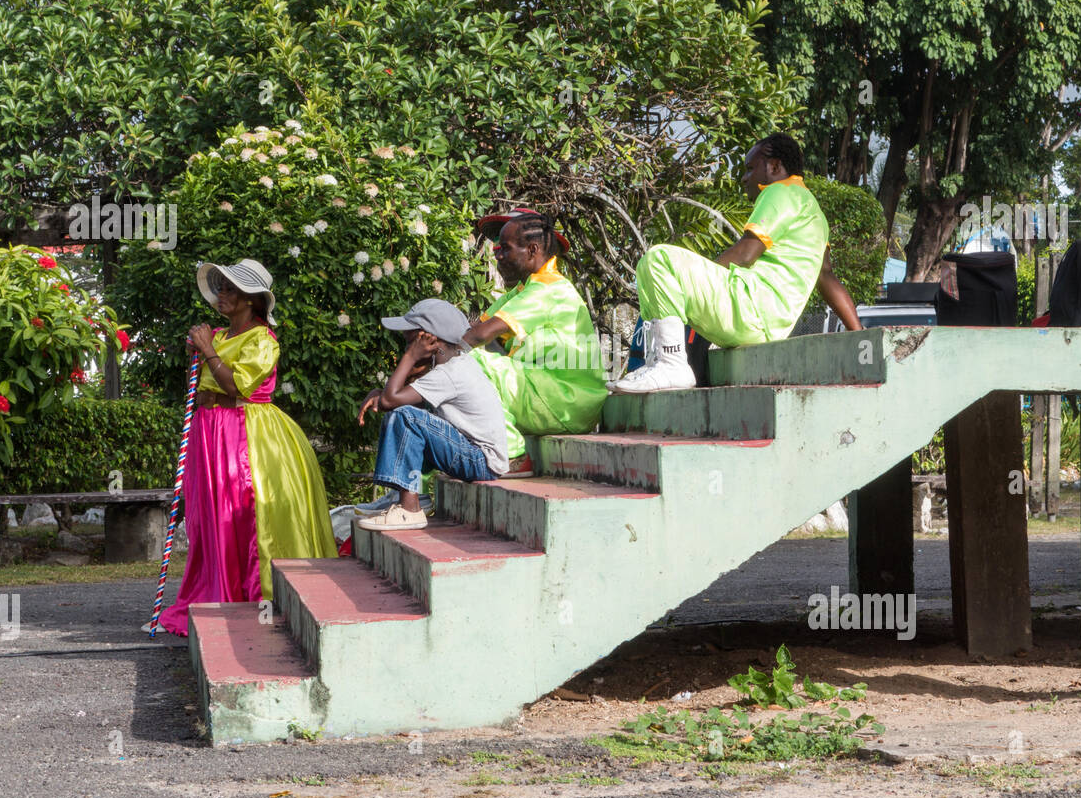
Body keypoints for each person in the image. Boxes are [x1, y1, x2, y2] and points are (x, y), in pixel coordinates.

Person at [151, 258, 337, 636]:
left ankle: (255, 594)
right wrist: (199, 350)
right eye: (221, 287)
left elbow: (237, 387)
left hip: (247, 435)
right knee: (210, 515)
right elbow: (204, 383)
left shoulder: (263, 340)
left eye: (231, 289)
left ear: (252, 300)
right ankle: (218, 588)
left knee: (242, 513)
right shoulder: (218, 336)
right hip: (210, 433)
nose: (222, 294)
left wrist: (207, 351)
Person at [612, 134, 835, 392]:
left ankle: (671, 363)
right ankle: (662, 362)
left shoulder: (780, 191)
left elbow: (745, 254)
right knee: (657, 280)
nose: (744, 178)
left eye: (750, 169)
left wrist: (692, 283)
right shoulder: (816, 214)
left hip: (751, 309)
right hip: (769, 325)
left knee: (659, 260)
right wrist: (866, 336)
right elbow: (826, 277)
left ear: (774, 167)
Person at [462, 208, 608, 473]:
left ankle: (512, 454)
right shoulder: (524, 289)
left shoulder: (548, 287)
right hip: (548, 393)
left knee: (463, 362)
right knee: (454, 363)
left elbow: (476, 337)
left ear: (532, 249)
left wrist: (424, 360)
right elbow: (474, 330)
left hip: (567, 402)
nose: (499, 256)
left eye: (504, 248)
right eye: (496, 249)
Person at [353, 299, 509, 531]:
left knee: (406, 417)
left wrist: (410, 357)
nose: (405, 350)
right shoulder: (451, 366)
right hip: (472, 454)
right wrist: (380, 392)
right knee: (405, 413)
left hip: (481, 461)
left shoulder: (450, 374)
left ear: (431, 342)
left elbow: (390, 400)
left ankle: (409, 510)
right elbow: (392, 397)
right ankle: (408, 495)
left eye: (410, 344)